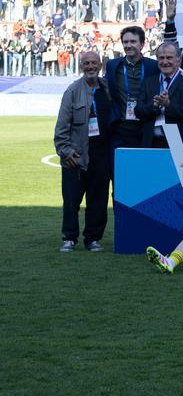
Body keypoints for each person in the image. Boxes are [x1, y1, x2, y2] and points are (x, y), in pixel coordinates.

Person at [54, 51, 112, 252]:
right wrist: (66, 152)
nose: (90, 66)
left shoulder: (107, 89)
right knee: (71, 200)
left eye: (94, 63)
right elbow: (61, 129)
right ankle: (69, 237)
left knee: (98, 200)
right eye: (86, 63)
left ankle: (93, 238)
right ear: (81, 66)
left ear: (100, 65)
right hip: (77, 156)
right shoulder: (72, 91)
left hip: (101, 155)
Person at [136, 42, 183, 149]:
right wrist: (154, 106)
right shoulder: (148, 82)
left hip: (178, 143)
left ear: (178, 60)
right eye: (161, 58)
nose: (165, 62)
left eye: (169, 57)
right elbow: (138, 111)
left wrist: (168, 105)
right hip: (151, 142)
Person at [105, 25, 158, 152]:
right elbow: (103, 82)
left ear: (142, 44)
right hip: (120, 128)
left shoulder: (153, 66)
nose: (128, 45)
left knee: (142, 168)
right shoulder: (113, 65)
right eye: (125, 42)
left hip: (144, 127)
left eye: (133, 41)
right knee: (120, 169)